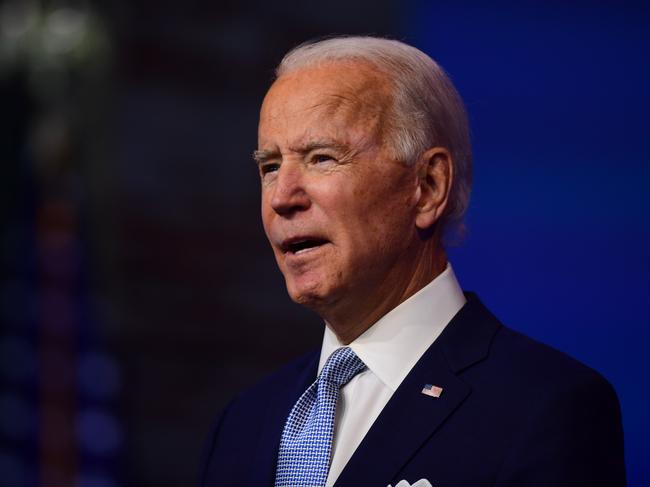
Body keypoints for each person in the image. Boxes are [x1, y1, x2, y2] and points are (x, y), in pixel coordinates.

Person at [199, 36, 626, 487]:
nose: (282, 198)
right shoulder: (242, 425)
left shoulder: (546, 408)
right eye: (269, 167)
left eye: (321, 158)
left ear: (427, 185)